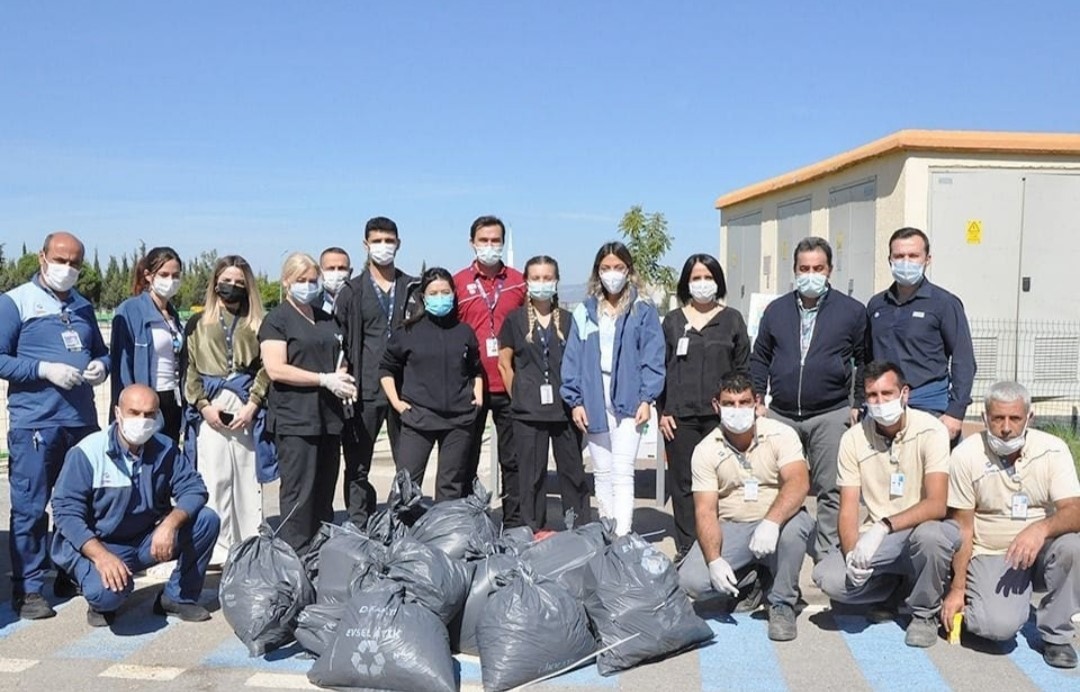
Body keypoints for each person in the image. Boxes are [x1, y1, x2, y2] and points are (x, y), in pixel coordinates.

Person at [812, 361, 960, 648]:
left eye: (887, 394)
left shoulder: (932, 430)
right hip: (880, 538)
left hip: (922, 530)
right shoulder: (853, 438)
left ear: (904, 394)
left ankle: (923, 613)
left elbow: (937, 504)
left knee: (930, 537)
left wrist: (884, 526)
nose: (880, 402)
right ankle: (889, 588)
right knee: (828, 578)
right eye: (872, 396)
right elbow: (848, 506)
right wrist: (853, 551)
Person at [0, 231, 109, 620]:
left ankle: (70, 570)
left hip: (80, 422)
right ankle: (28, 587)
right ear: (42, 258)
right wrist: (42, 369)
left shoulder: (82, 305)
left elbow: (100, 350)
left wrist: (102, 366)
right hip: (36, 423)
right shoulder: (15, 302)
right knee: (30, 507)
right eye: (60, 259)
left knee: (80, 504)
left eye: (75, 262)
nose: (68, 268)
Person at [49, 384, 220, 626]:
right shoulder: (87, 452)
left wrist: (170, 524)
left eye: (150, 414)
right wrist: (101, 556)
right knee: (107, 596)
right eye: (134, 412)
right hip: (98, 543)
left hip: (143, 541)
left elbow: (194, 489)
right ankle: (88, 584)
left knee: (206, 520)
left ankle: (177, 597)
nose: (142, 420)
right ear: (118, 413)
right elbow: (65, 512)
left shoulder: (166, 449)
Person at [941, 381, 1080, 669]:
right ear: (984, 419)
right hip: (992, 553)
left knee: (1073, 546)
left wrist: (1040, 529)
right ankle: (989, 601)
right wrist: (957, 588)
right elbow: (963, 528)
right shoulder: (965, 455)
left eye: (1015, 418)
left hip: (1039, 551)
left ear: (1030, 418)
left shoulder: (1053, 450)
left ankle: (1056, 635)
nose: (1006, 427)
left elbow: (1075, 511)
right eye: (998, 418)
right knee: (995, 628)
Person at [751, 237, 866, 559]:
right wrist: (758, 398)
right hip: (781, 414)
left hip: (830, 413)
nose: (810, 274)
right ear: (794, 270)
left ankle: (827, 553)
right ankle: (780, 552)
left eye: (818, 268)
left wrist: (857, 404)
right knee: (778, 486)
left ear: (830, 270)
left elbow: (863, 360)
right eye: (804, 268)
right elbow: (760, 356)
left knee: (831, 489)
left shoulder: (852, 312)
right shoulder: (775, 311)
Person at [677, 373, 813, 642]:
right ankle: (752, 580)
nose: (737, 410)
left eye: (744, 402)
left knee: (797, 527)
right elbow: (705, 510)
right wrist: (714, 560)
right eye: (729, 403)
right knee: (692, 580)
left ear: (757, 402)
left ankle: (782, 603)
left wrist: (772, 521)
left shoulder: (781, 434)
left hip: (778, 522)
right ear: (716, 406)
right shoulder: (705, 450)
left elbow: (799, 482)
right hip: (733, 526)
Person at [561, 241, 665, 536]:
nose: (612, 274)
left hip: (629, 396)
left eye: (618, 267)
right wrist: (575, 400)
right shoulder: (586, 310)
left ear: (628, 270)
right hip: (594, 394)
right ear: (597, 272)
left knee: (623, 470)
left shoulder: (642, 309)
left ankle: (622, 536)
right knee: (602, 470)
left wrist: (647, 398)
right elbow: (573, 356)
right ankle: (607, 529)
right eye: (606, 268)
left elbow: (653, 357)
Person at [259, 252, 356, 554]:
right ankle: (295, 556)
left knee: (323, 493)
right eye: (301, 280)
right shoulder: (277, 321)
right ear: (286, 282)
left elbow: (338, 356)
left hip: (328, 418)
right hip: (296, 420)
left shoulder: (327, 319)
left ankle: (320, 555)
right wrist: (323, 379)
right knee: (299, 496)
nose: (308, 285)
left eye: (313, 280)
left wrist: (341, 377)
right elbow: (276, 368)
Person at [660, 253, 750, 561]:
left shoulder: (732, 320)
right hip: (680, 417)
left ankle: (721, 547)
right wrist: (664, 411)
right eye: (696, 278)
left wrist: (741, 412)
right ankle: (688, 549)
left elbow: (743, 369)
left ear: (718, 281)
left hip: (721, 419)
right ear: (686, 282)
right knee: (683, 483)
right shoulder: (673, 322)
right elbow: (662, 369)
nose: (702, 284)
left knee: (721, 481)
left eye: (708, 277)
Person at [183, 255, 271, 566]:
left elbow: (266, 367)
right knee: (214, 475)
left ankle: (249, 542)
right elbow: (189, 368)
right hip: (211, 403)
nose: (231, 287)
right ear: (215, 282)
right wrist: (202, 406)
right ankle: (216, 547)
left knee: (246, 476)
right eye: (226, 281)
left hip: (246, 403)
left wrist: (253, 404)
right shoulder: (197, 324)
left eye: (238, 283)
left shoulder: (258, 323)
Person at [335, 217, 421, 525]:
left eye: (389, 241)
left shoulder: (413, 288)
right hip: (365, 390)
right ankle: (360, 522)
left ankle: (406, 521)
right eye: (377, 241)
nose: (383, 247)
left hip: (405, 390)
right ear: (366, 245)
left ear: (398, 244)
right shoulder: (351, 291)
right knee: (358, 464)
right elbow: (339, 340)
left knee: (408, 463)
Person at [497, 255, 590, 530]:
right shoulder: (514, 321)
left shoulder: (571, 320)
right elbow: (504, 364)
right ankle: (533, 529)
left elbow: (581, 363)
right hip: (528, 412)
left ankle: (578, 528)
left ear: (556, 281)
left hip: (564, 410)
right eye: (536, 278)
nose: (542, 283)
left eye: (547, 278)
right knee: (531, 476)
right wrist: (520, 396)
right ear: (526, 282)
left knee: (572, 474)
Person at [380, 268, 484, 500]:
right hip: (419, 418)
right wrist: (397, 403)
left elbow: (475, 369)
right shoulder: (407, 331)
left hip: (459, 421)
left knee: (451, 486)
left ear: (454, 294)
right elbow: (386, 368)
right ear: (423, 297)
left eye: (445, 292)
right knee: (406, 485)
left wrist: (478, 395)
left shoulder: (464, 332)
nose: (440, 297)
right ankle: (401, 532)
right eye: (434, 293)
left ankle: (444, 534)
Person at [866, 227, 976, 443]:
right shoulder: (876, 305)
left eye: (913, 255)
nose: (905, 262)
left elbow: (964, 361)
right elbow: (867, 360)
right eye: (899, 256)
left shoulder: (944, 304)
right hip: (883, 410)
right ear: (889, 259)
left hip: (930, 408)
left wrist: (955, 412)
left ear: (927, 259)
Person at [454, 215, 527, 526]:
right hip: (472, 386)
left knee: (513, 460)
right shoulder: (457, 283)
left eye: (495, 240)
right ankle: (468, 523)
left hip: (510, 383)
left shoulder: (520, 281)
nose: (489, 246)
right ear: (472, 243)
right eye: (483, 241)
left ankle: (514, 523)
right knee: (465, 459)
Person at [110, 247, 185, 442]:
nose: (171, 280)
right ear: (148, 275)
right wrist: (128, 406)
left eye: (176, 275)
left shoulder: (173, 315)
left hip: (173, 398)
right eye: (164, 274)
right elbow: (121, 364)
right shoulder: (130, 310)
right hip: (145, 399)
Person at [319, 246, 352, 315]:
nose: (336, 273)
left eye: (341, 268)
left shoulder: (361, 303)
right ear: (320, 273)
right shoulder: (310, 305)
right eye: (331, 268)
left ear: (350, 272)